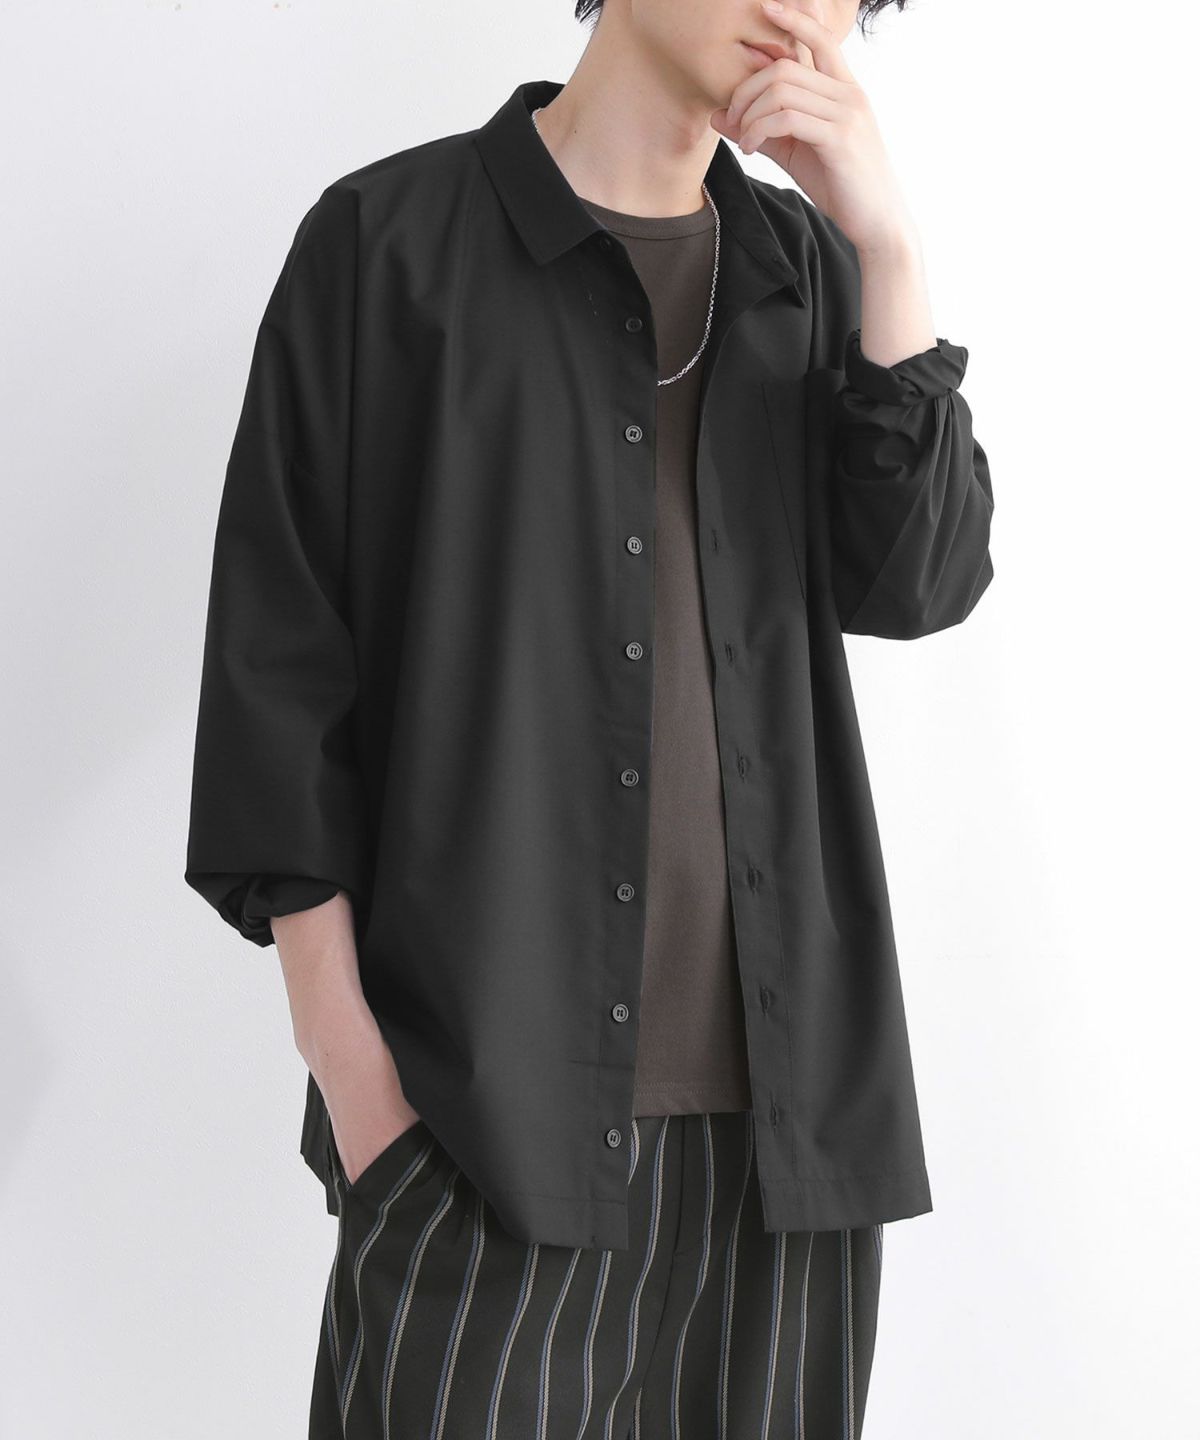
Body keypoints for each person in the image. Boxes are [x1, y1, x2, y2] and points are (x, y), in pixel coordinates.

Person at [184, 0, 995, 1435]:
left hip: (784, 1155)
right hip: (479, 1130)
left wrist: (889, 246)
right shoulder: (386, 248)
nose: (805, 14)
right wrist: (361, 1087)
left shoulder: (806, 274)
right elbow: (276, 677)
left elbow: (918, 580)